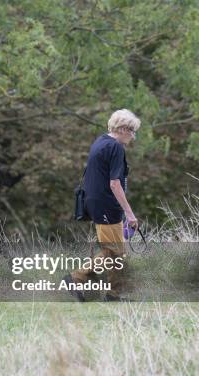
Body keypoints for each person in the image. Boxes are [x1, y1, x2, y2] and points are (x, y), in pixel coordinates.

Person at [66, 109, 141, 301]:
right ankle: (78, 278)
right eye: (132, 132)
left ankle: (112, 293)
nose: (133, 136)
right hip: (106, 205)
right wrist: (130, 213)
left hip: (96, 204)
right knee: (117, 252)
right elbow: (115, 183)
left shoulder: (100, 141)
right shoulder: (115, 148)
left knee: (112, 251)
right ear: (123, 129)